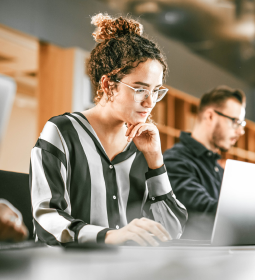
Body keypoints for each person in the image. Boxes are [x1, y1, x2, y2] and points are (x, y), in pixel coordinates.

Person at [30, 13, 187, 246]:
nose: (150, 102)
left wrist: (155, 160)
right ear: (107, 85)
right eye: (140, 89)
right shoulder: (62, 132)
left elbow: (172, 231)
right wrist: (109, 236)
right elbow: (47, 221)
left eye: (156, 91)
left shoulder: (142, 144)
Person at [163, 86, 246, 239]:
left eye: (242, 124)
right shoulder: (174, 160)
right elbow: (203, 210)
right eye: (235, 121)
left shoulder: (218, 169)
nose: (240, 131)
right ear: (210, 116)